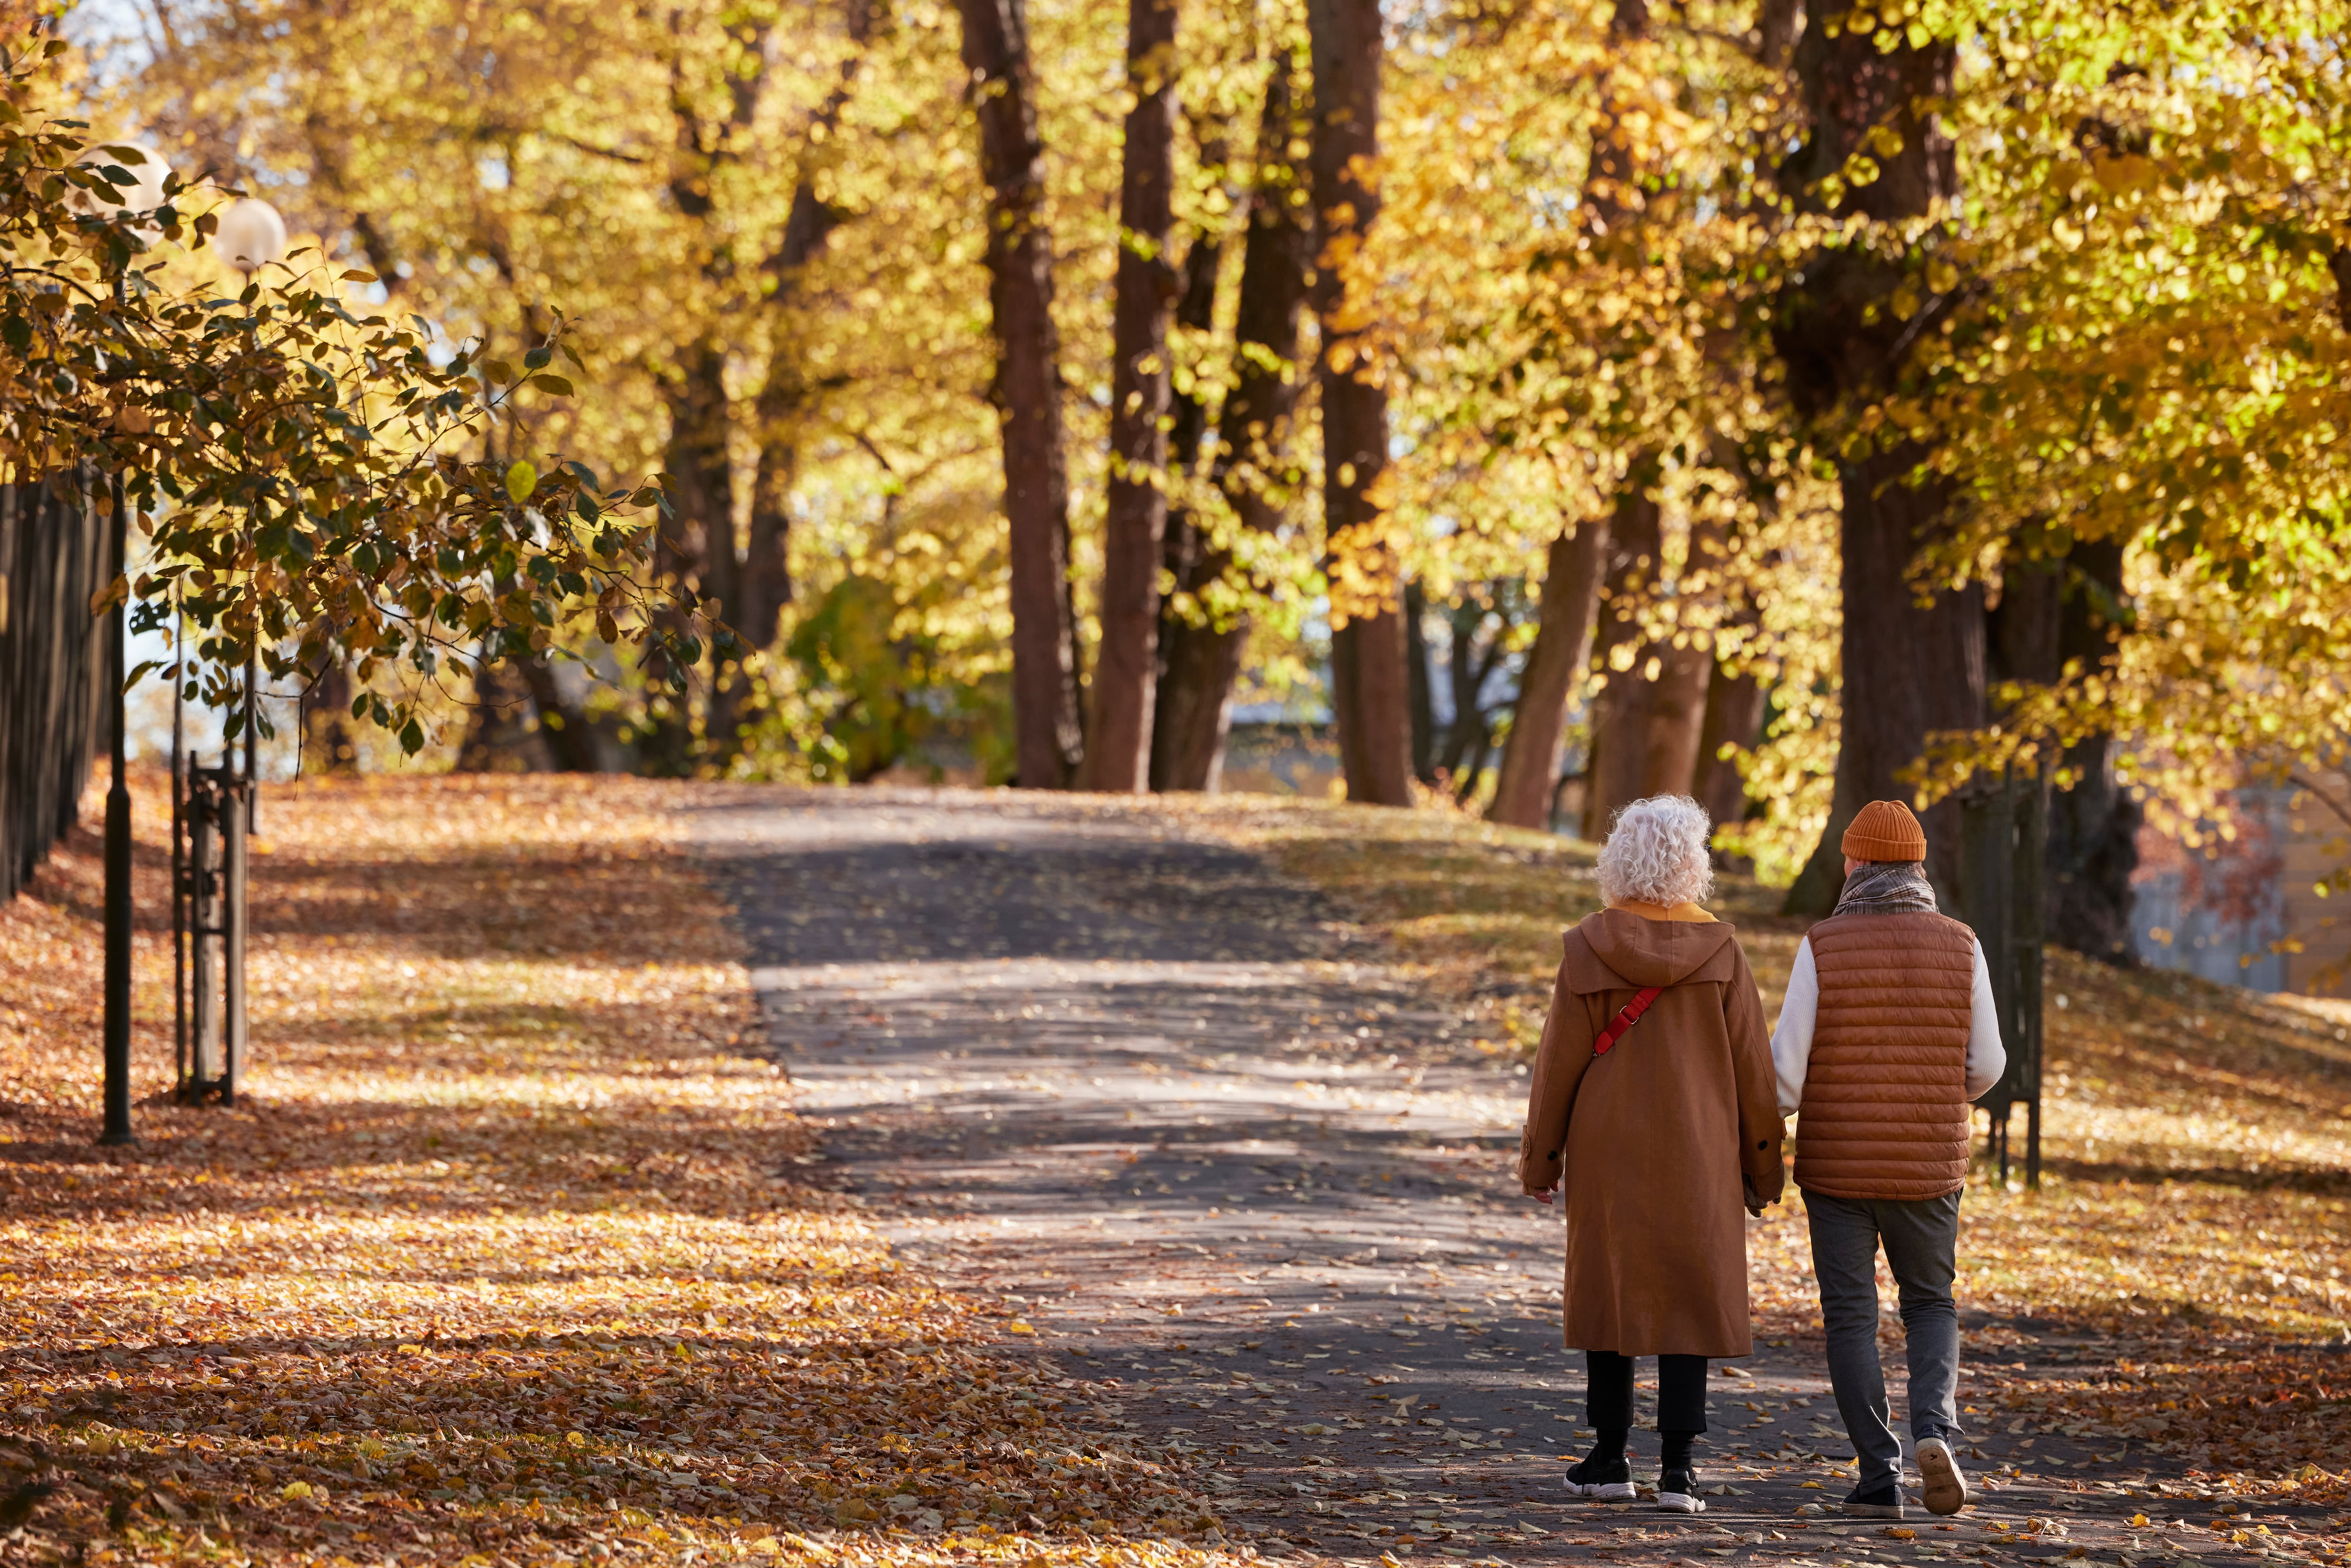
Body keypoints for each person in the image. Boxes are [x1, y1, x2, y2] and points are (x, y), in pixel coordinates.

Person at [1519, 795, 1785, 1515]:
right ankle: (1680, 1470)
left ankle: (1608, 1459)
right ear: (1693, 865)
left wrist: (1541, 1160)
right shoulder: (1722, 951)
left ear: (1618, 860)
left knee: (1613, 1290)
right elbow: (1754, 1070)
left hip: (1609, 1149)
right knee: (1689, 1293)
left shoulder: (1586, 946)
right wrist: (1764, 1169)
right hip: (1699, 1149)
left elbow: (1558, 1067)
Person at [1770, 799, 2007, 1521]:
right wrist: (1940, 1093)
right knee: (1931, 1302)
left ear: (1856, 863)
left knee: (1851, 1318)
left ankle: (1880, 1475)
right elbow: (1990, 1063)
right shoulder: (1963, 943)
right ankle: (1936, 1432)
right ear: (1918, 865)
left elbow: (1785, 1073)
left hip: (1838, 1168)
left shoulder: (1823, 943)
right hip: (1929, 1165)